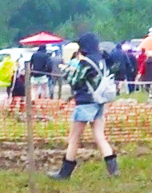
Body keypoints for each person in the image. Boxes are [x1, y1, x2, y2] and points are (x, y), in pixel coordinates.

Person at [50, 33, 117, 179]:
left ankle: (64, 173)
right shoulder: (102, 59)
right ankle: (113, 170)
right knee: (100, 136)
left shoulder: (86, 62)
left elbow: (76, 81)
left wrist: (66, 71)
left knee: (74, 138)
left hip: (85, 103)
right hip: (99, 101)